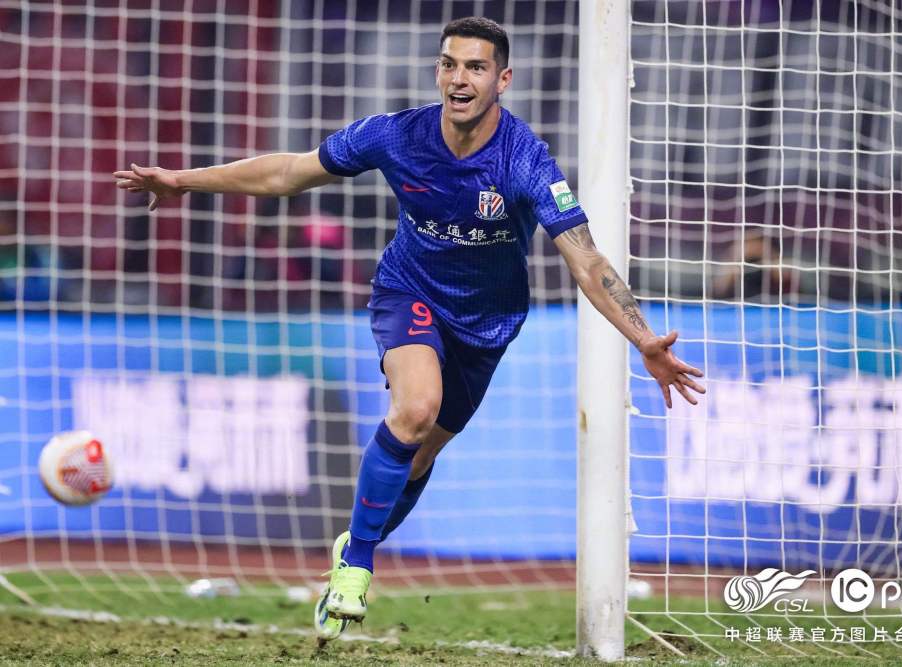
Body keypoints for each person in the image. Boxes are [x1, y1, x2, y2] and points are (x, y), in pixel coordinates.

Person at [114, 17, 706, 639]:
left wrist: (644, 339)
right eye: (449, 64)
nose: (459, 79)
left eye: (475, 67)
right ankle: (357, 568)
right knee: (416, 409)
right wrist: (182, 181)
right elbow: (288, 172)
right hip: (409, 293)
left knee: (418, 457)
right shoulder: (396, 135)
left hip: (486, 326)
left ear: (503, 80)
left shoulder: (525, 161)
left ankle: (355, 544)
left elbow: (586, 260)